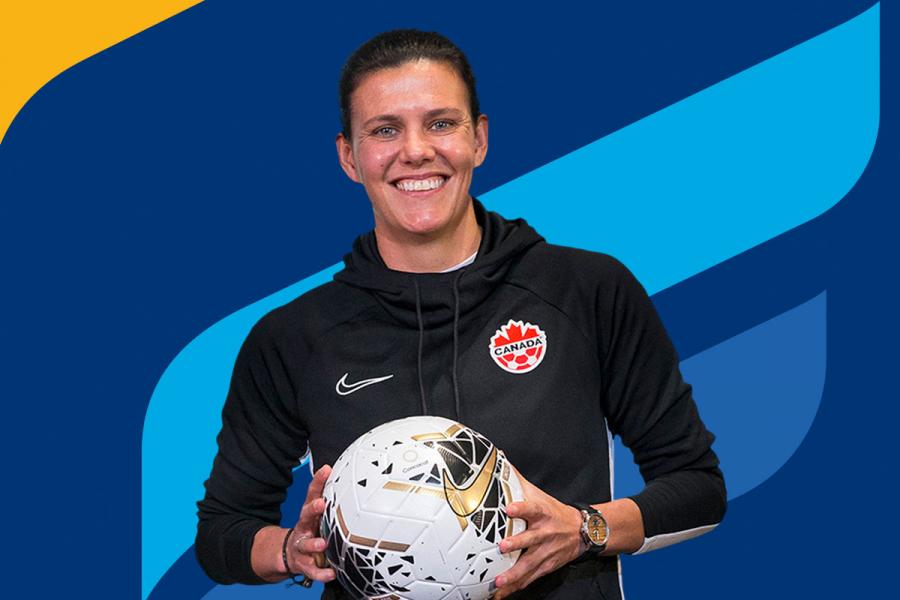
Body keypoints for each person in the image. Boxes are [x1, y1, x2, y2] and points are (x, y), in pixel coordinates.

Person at [196, 29, 726, 600]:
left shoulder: (587, 291)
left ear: (480, 138)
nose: (416, 151)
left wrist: (584, 529)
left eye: (441, 123)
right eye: (384, 130)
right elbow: (221, 533)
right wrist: (288, 549)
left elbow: (697, 489)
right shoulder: (294, 337)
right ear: (349, 156)